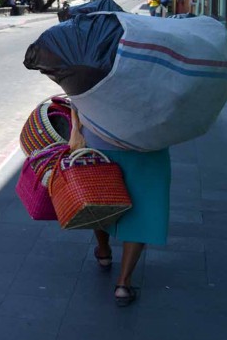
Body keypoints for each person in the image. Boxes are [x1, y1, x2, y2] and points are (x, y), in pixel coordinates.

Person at [68, 107, 171, 307]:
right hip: (149, 144)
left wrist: (75, 128)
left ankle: (104, 252)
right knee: (144, 207)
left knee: (99, 199)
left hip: (99, 140)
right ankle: (123, 284)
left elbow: (77, 90)